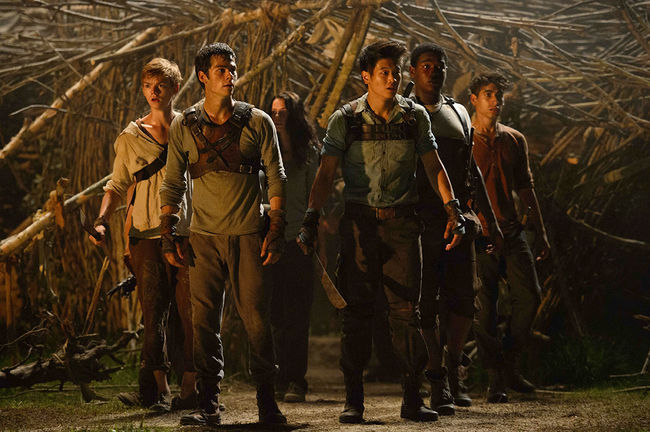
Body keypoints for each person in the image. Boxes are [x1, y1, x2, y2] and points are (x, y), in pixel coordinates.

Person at [297, 39, 465, 424]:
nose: (392, 79)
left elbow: (433, 165)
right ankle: (353, 400)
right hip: (360, 225)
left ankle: (412, 397)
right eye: (384, 72)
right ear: (366, 77)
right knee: (357, 312)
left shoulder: (414, 117)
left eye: (396, 72)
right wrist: (311, 217)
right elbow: (326, 172)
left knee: (406, 311)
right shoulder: (346, 119)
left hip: (403, 224)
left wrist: (452, 208)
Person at [159, 42, 287, 427]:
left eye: (232, 68)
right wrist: (168, 231)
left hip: (248, 236)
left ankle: (267, 403)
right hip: (203, 238)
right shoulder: (184, 126)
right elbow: (172, 182)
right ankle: (209, 404)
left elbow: (276, 176)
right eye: (221, 70)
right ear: (203, 77)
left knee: (257, 322)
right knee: (203, 323)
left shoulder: (258, 121)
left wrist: (276, 227)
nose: (230, 75)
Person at [89, 58, 196, 412]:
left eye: (161, 85)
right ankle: (159, 390)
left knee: (192, 313)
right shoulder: (131, 137)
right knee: (153, 315)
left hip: (185, 231)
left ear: (174, 88)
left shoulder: (189, 128)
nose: (154, 91)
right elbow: (117, 185)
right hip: (145, 235)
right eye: (148, 85)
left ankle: (191, 389)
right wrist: (102, 220)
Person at [408, 43, 504, 414]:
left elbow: (470, 169)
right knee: (425, 301)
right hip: (420, 218)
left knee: (464, 298)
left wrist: (487, 220)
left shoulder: (458, 112)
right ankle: (433, 377)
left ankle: (451, 370)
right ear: (412, 71)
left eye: (439, 65)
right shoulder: (403, 112)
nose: (434, 71)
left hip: (459, 218)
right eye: (426, 65)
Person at [469, 73, 550, 403]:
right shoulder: (463, 139)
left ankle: (510, 363)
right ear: (474, 99)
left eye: (498, 95)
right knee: (484, 308)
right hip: (480, 235)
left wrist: (540, 230)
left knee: (529, 297)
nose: (495, 100)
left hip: (512, 231)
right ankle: (495, 377)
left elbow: (525, 187)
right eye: (488, 94)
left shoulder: (514, 139)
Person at [266, 91, 319, 403]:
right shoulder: (262, 151)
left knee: (297, 314)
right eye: (274, 112)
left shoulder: (308, 152)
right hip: (270, 238)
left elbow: (315, 194)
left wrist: (310, 231)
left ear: (294, 115)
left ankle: (296, 380)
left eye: (283, 111)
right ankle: (277, 376)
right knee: (275, 313)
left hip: (298, 239)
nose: (278, 117)